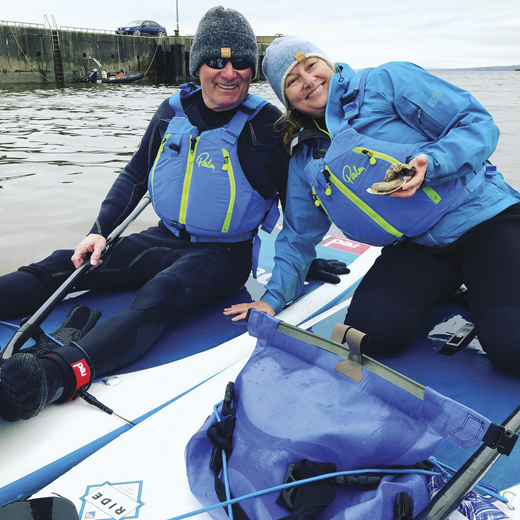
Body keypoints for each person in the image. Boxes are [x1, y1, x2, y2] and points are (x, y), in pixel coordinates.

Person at [0, 13, 346, 423]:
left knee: (160, 293)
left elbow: (300, 216)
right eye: (217, 62)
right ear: (197, 65)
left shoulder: (271, 127)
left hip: (223, 256)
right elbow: (134, 175)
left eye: (240, 63)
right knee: (64, 263)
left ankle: (53, 376)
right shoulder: (171, 112)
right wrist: (98, 233)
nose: (229, 73)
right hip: (160, 239)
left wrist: (302, 264)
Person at [224, 35, 520, 375]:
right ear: (285, 96)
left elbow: (477, 124)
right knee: (368, 336)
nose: (308, 80)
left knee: (511, 346)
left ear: (328, 63)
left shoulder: (387, 81)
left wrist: (434, 163)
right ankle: (455, 284)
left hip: (485, 221)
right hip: (419, 246)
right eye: (292, 80)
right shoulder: (305, 156)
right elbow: (298, 233)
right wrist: (272, 300)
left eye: (311, 65)